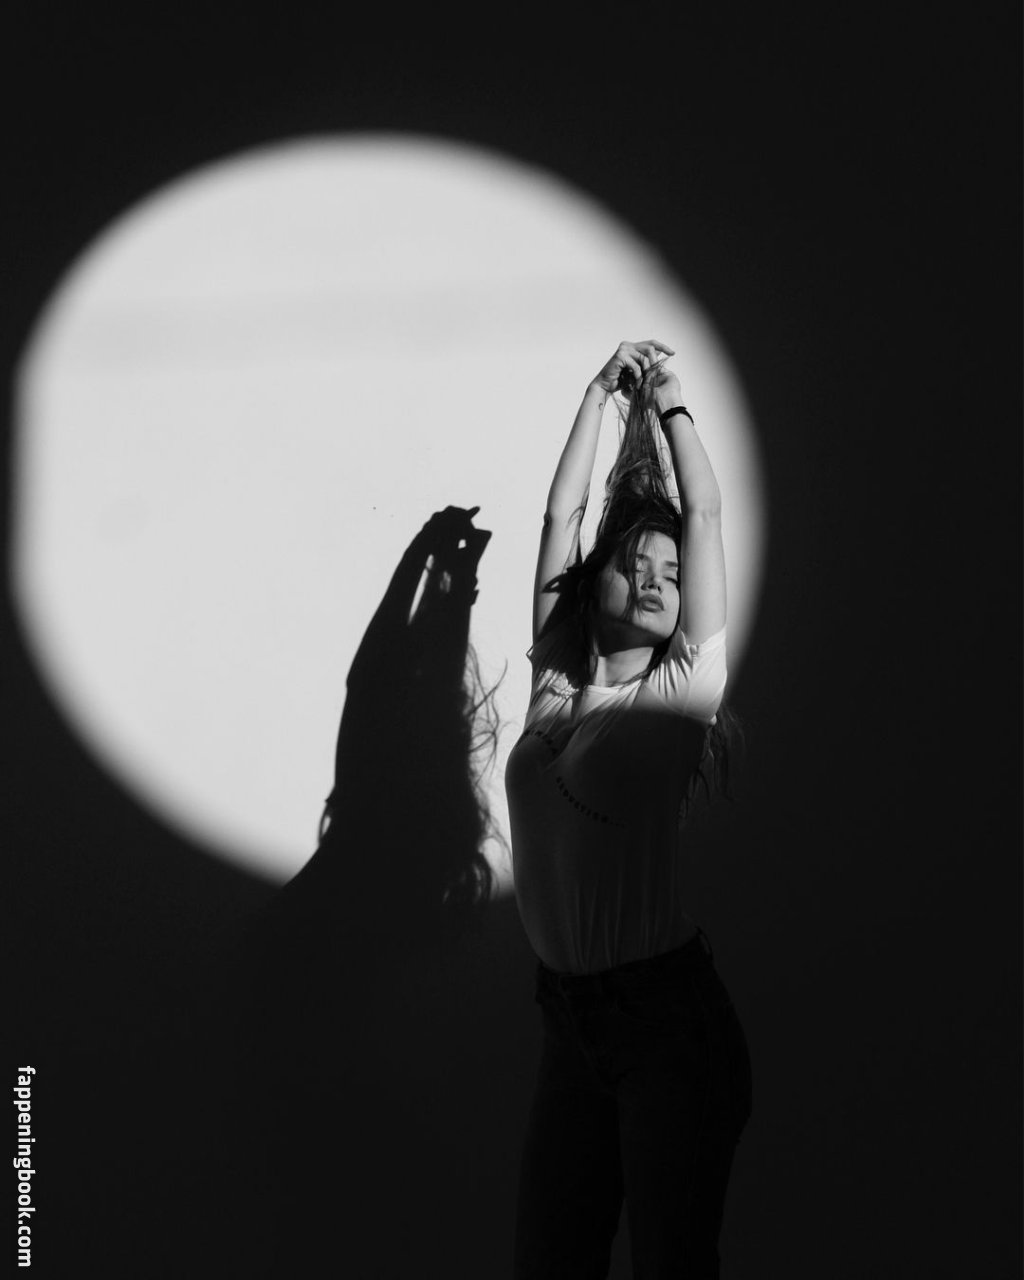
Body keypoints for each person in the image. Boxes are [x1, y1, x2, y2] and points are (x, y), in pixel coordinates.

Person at [504, 340, 752, 1279]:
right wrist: (596, 396)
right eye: (635, 564)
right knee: (549, 1261)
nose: (655, 579)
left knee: (669, 1266)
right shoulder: (555, 684)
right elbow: (560, 516)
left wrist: (673, 405)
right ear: (595, 581)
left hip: (666, 1025)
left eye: (672, 574)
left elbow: (707, 515)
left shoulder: (678, 697)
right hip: (568, 1024)